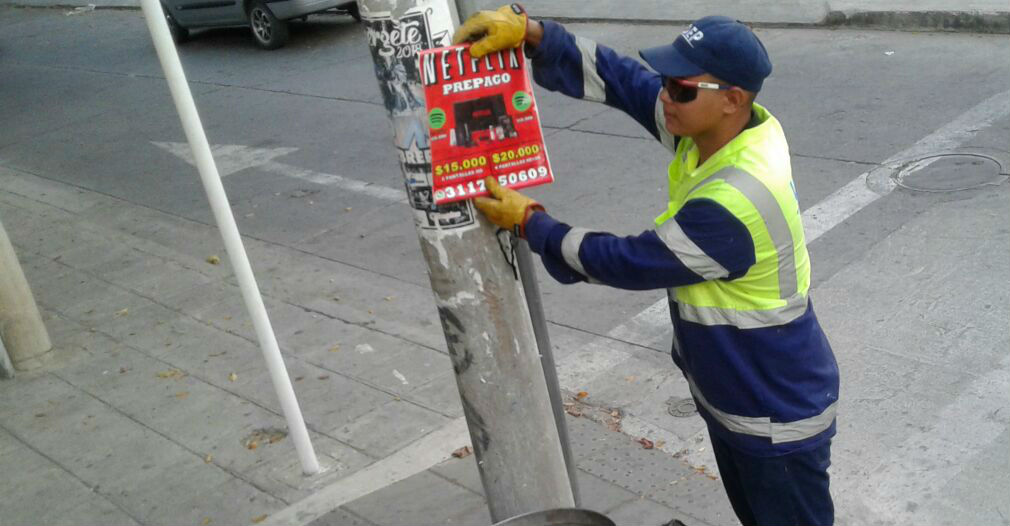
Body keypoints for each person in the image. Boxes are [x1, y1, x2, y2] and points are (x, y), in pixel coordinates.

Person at [455, 5, 840, 526]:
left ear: (731, 100)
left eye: (680, 89)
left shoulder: (736, 200)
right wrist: (538, 35)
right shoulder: (722, 133)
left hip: (774, 416)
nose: (664, 96)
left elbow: (626, 262)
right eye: (668, 81)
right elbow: (625, 82)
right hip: (740, 399)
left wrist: (533, 224)